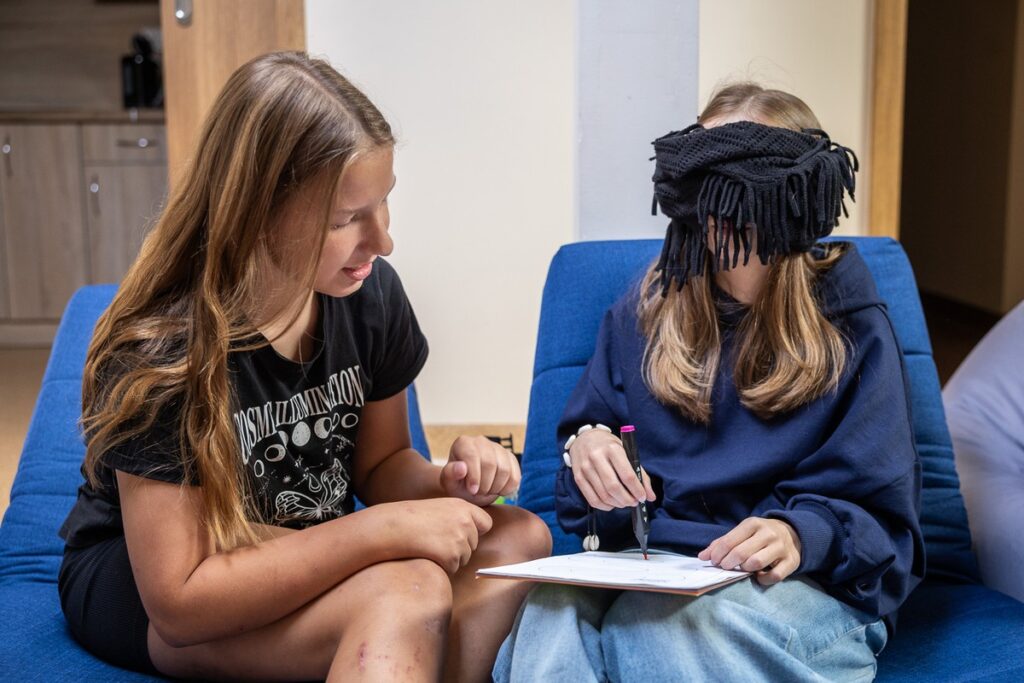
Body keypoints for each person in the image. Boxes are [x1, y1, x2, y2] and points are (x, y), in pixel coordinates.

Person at [57, 51, 551, 683]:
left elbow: (381, 465)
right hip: (162, 583)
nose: (383, 240)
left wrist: (448, 486)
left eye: (384, 203)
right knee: (406, 592)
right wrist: (383, 531)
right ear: (257, 212)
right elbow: (179, 598)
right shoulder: (163, 351)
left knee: (518, 539)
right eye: (346, 219)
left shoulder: (370, 295)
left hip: (300, 543)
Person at [494, 83, 925, 682]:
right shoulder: (644, 312)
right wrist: (590, 455)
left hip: (808, 584)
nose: (715, 210)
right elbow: (589, 484)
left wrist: (799, 534)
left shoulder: (853, 327)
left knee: (656, 627)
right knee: (549, 614)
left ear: (794, 196)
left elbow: (884, 521)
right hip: (663, 567)